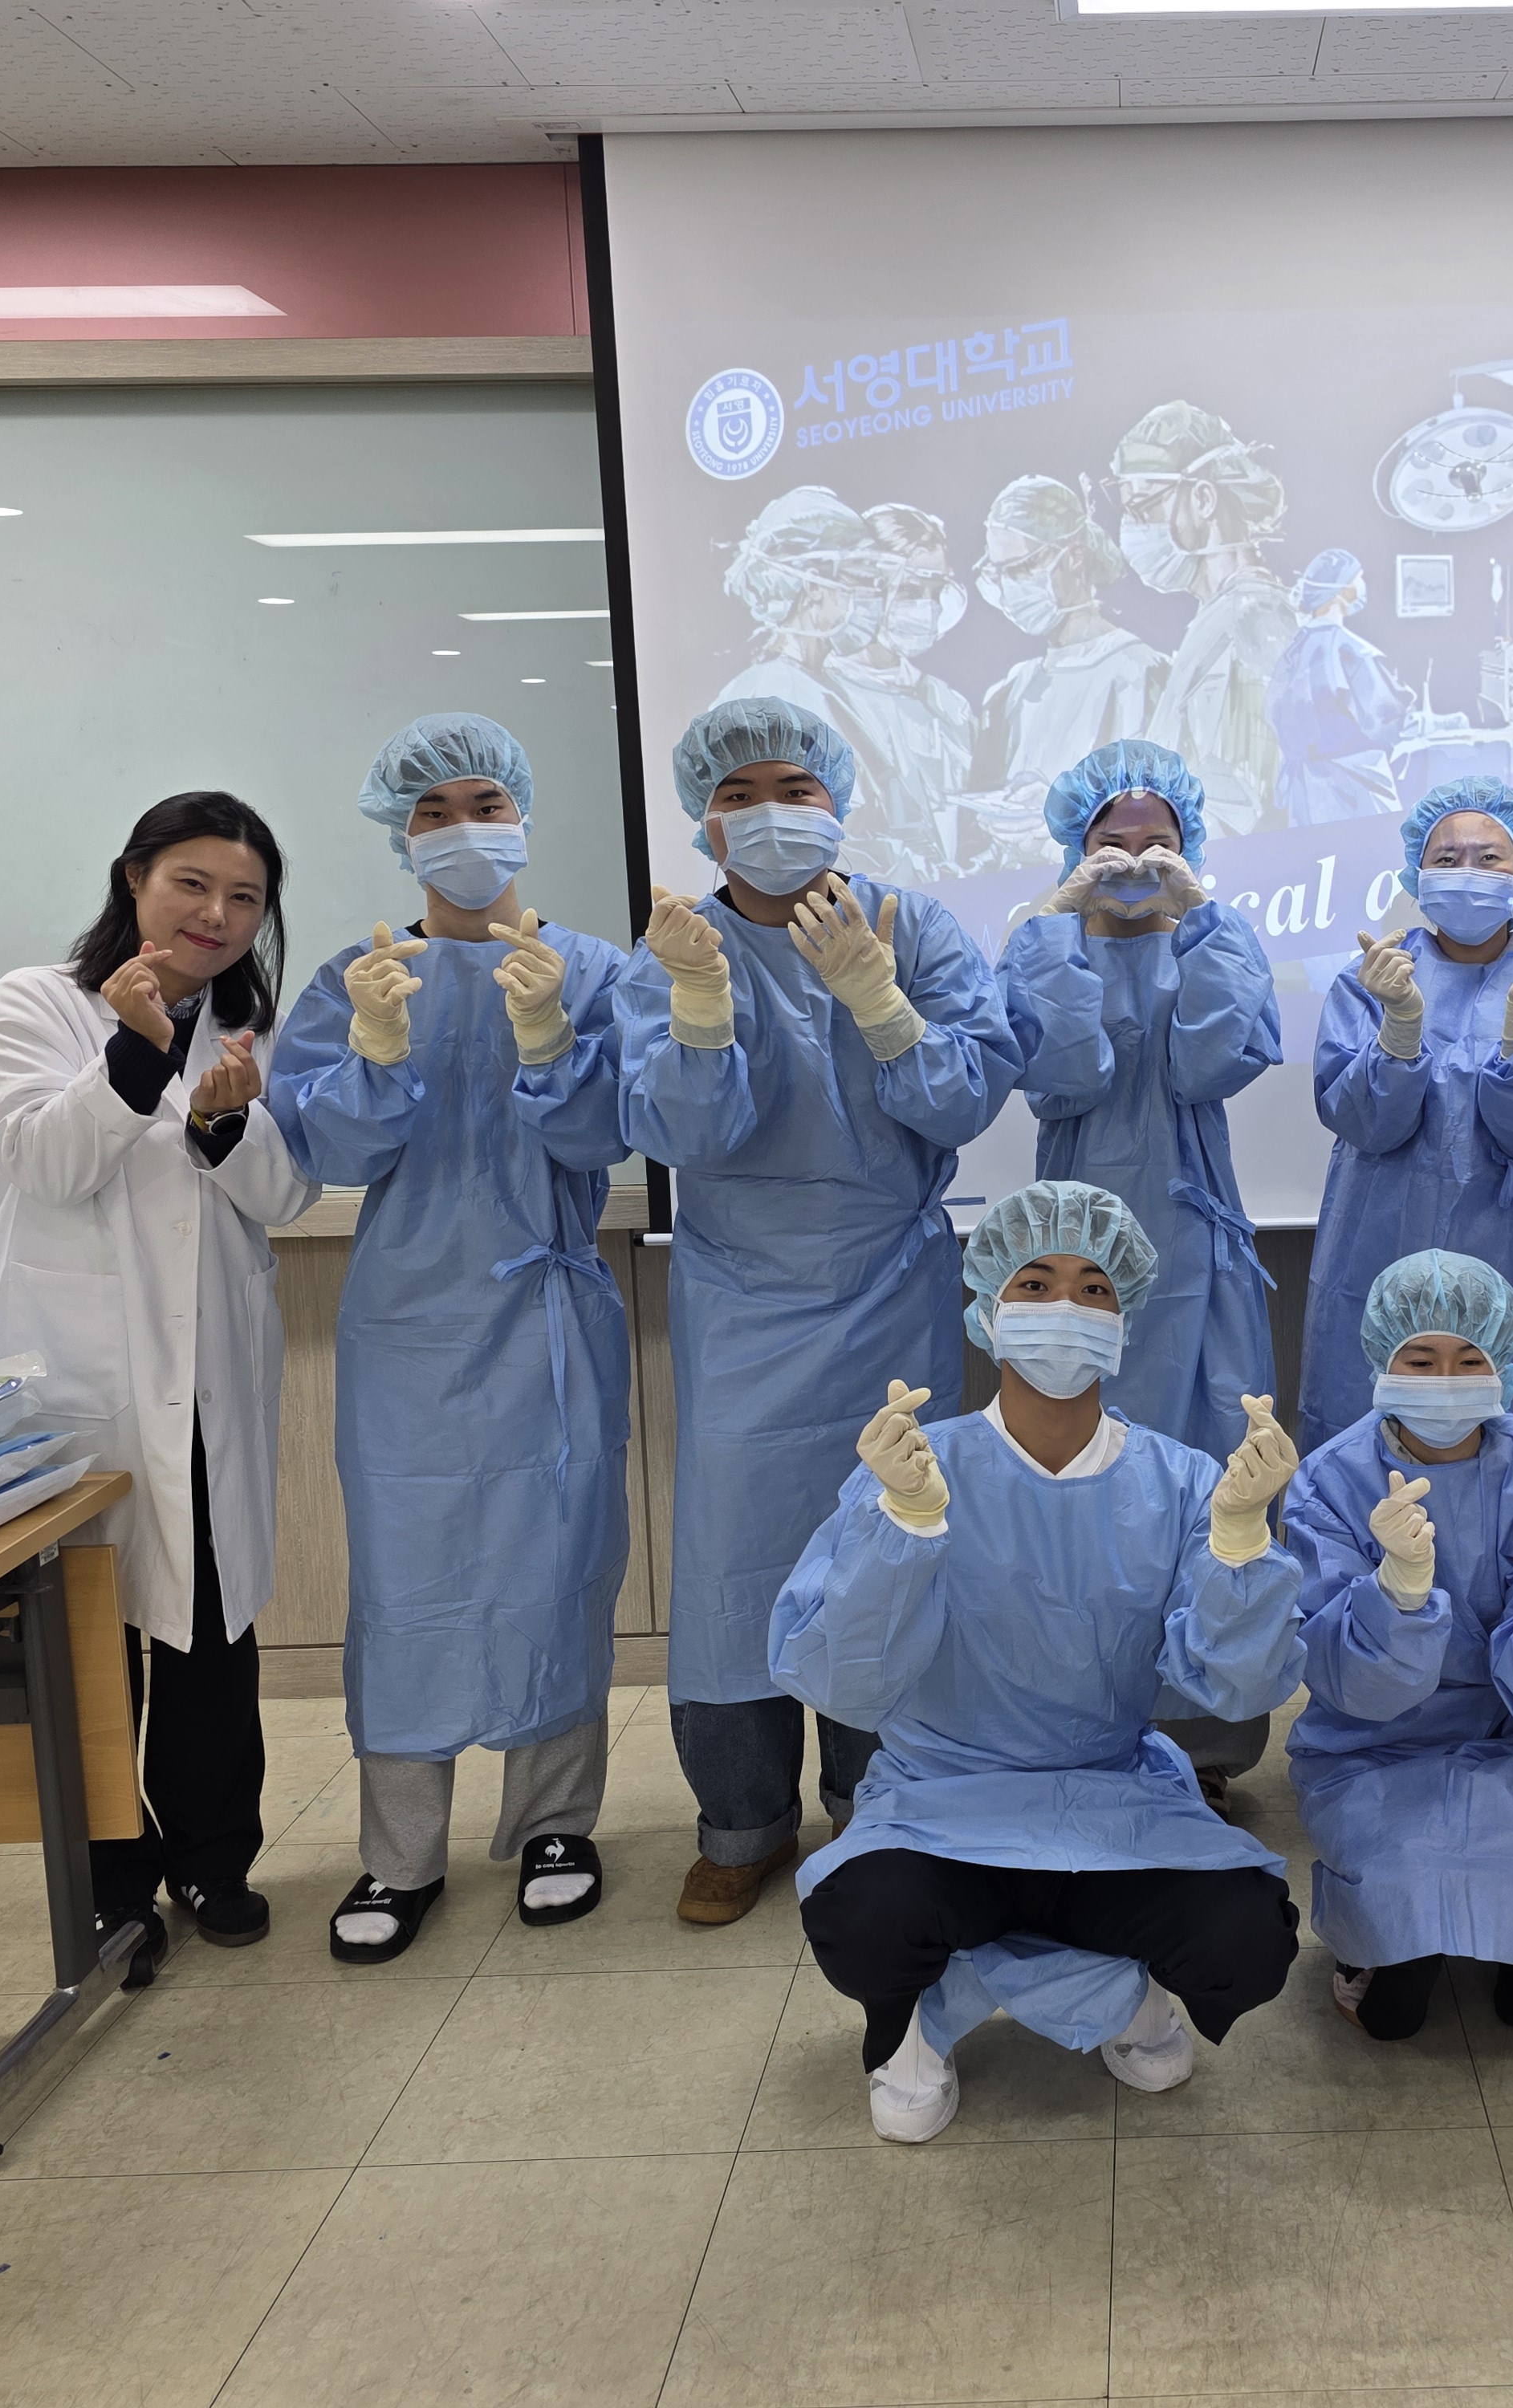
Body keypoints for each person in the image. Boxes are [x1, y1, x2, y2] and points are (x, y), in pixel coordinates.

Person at [563, 698, 1021, 1926]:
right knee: (736, 1563)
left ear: (838, 801)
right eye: (741, 794)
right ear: (704, 820)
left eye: (795, 789)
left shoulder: (909, 928)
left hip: (891, 1289)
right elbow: (680, 1134)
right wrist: (701, 1007)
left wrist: (881, 1003)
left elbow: (965, 1100)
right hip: (743, 1299)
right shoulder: (677, 947)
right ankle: (741, 1823)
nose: (771, 813)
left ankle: (883, 1806)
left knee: (892, 1545)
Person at [777, 1182, 1308, 2142]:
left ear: (1124, 1318)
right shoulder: (916, 1470)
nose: (1066, 1305)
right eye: (1035, 1282)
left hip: (1110, 1795)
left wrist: (1238, 1538)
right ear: (988, 1311)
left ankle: (1114, 1995)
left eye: (1093, 1288)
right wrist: (904, 1528)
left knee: (1245, 1937)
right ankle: (921, 2026)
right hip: (943, 1801)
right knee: (866, 1919)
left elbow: (1237, 1686)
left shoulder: (1184, 1483)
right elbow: (841, 1682)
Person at [270, 714, 635, 1963]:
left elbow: (608, 1136)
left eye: (486, 804)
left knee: (557, 1563)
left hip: (548, 1306)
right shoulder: (359, 977)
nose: (463, 829)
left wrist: (552, 1041)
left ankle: (556, 1826)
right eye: (433, 811)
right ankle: (399, 1854)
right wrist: (374, 1051)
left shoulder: (591, 970)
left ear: (524, 815)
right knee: (407, 1580)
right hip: (410, 1320)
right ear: (399, 831)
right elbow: (325, 1152)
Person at [0, 791, 318, 1982]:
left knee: (211, 1633)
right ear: (135, 881)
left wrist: (226, 1125)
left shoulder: (250, 1028)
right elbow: (46, 1162)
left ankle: (215, 1859)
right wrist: (135, 1051)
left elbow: (285, 1196)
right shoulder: (38, 1003)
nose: (216, 915)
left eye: (244, 898)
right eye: (193, 884)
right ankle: (111, 1884)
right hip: (78, 1383)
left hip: (208, 1379)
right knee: (89, 1641)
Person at [998, 739, 1282, 1805]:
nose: (1133, 859)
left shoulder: (1217, 941)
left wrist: (1198, 920)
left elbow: (1207, 1064)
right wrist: (1060, 931)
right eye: (1109, 843)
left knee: (1203, 1488)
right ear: (1074, 851)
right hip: (1077, 1266)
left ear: (1190, 849)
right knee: (1079, 1493)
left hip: (1195, 1259)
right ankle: (1079, 1722)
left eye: (1157, 842)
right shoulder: (1042, 944)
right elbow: (1065, 1074)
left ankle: (1205, 1746)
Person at [1284, 1249, 1513, 2041]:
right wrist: (1396, 1597)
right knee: (1392, 2013)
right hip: (1377, 1749)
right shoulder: (1331, 1482)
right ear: (1382, 1359)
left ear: (1501, 1365)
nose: (1444, 1380)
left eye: (1468, 1360)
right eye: (1420, 1358)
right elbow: (1348, 1683)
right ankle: (1386, 1950)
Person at [1303, 779, 1513, 1451]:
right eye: (1446, 858)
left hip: (1508, 1247)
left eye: (1489, 858)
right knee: (1362, 1435)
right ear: (1417, 874)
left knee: (1503, 1435)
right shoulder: (1375, 977)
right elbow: (1363, 1123)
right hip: (1376, 1241)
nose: (1467, 871)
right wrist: (1398, 1031)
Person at [1118, 401, 1295, 837]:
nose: (1132, 528)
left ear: (1203, 498)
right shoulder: (1214, 618)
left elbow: (1250, 798)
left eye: (1143, 507)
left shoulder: (1254, 616)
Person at [971, 475, 1166, 847]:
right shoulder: (1015, 688)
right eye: (998, 572)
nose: (1009, 586)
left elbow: (1153, 810)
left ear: (1075, 556)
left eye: (1021, 567)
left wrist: (1064, 822)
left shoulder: (1140, 672)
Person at [825, 499, 977, 884]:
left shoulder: (946, 703)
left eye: (934, 590)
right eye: (910, 589)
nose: (925, 605)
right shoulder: (826, 698)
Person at [714, 484, 885, 771]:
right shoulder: (777, 693)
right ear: (814, 585)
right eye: (862, 577)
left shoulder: (822, 684)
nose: (874, 593)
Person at [1270, 547, 1415, 826]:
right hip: (1356, 784)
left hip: (1308, 786)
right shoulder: (1350, 651)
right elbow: (1383, 720)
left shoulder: (1294, 650)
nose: (1362, 585)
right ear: (1342, 589)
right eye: (1358, 578)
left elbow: (1276, 714)